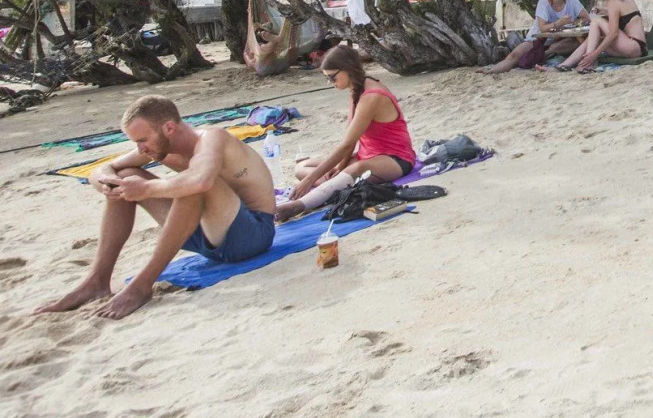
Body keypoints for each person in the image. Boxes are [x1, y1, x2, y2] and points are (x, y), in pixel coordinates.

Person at [35, 95, 277, 319]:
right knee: (127, 173)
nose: (140, 148)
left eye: (142, 140)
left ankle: (142, 285)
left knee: (193, 183)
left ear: (169, 128)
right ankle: (97, 280)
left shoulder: (212, 139)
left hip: (251, 236)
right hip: (205, 234)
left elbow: (201, 180)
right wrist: (108, 183)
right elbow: (99, 170)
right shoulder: (159, 146)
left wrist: (147, 188)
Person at [275, 45, 416, 221]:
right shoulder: (356, 88)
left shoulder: (372, 96)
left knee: (354, 168)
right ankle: (335, 187)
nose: (331, 83)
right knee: (302, 167)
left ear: (348, 70)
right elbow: (350, 139)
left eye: (332, 77)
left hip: (395, 158)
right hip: (368, 154)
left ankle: (300, 205)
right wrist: (339, 168)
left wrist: (310, 180)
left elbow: (348, 144)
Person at [480, 0, 587, 74]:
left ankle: (545, 54)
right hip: (537, 38)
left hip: (559, 39)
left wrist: (573, 23)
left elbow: (586, 18)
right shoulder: (544, 3)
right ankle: (491, 70)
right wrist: (559, 23)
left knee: (578, 42)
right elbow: (542, 28)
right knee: (515, 55)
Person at [556, 0, 648, 73]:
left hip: (633, 46)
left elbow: (614, 33)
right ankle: (564, 65)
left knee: (596, 21)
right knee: (593, 40)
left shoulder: (613, 2)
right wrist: (605, 11)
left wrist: (595, 54)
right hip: (640, 47)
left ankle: (589, 62)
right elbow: (626, 15)